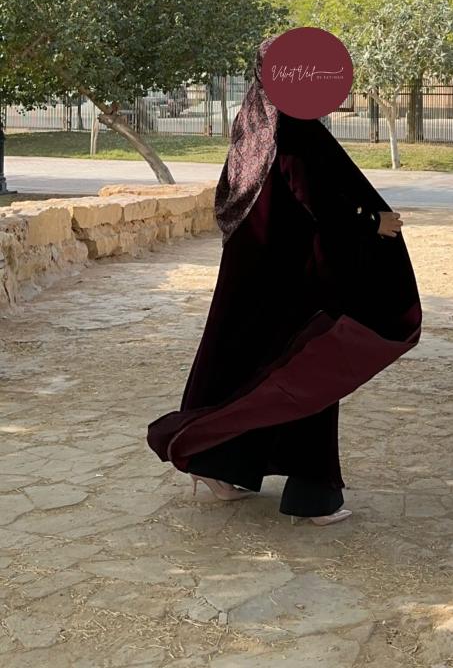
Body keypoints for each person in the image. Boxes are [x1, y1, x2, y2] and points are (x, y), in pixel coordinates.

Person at [147, 36, 422, 527]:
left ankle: (215, 464)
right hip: (296, 279)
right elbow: (315, 198)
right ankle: (312, 496)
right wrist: (371, 223)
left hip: (253, 273)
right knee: (307, 371)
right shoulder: (293, 126)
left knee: (244, 365)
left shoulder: (253, 119)